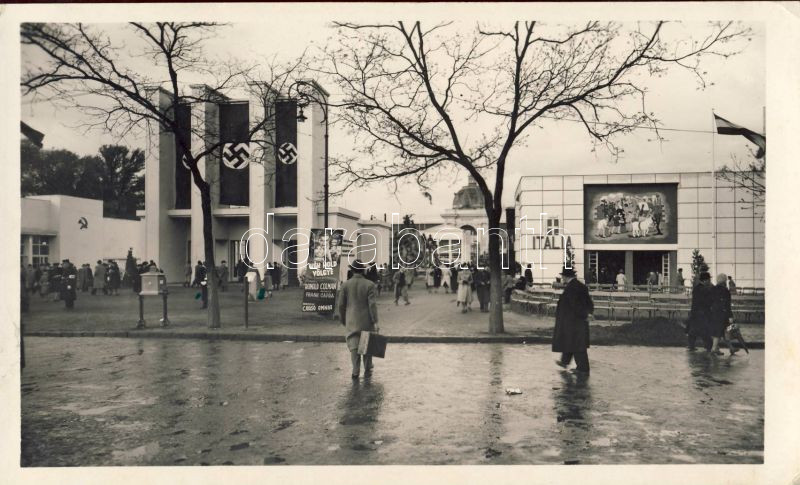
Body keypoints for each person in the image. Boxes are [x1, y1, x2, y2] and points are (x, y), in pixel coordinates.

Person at [337, 260, 379, 380]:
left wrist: (343, 319)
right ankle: (367, 368)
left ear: (352, 270)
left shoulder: (345, 285)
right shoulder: (369, 285)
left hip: (351, 321)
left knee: (354, 347)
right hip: (366, 321)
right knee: (366, 345)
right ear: (363, 271)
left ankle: (355, 371)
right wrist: (375, 321)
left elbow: (341, 305)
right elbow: (372, 305)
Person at [552, 267, 594, 374]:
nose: (562, 278)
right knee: (572, 341)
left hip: (573, 320)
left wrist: (584, 315)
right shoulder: (580, 286)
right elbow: (589, 302)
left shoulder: (571, 288)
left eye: (562, 276)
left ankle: (583, 369)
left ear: (566, 277)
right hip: (577, 319)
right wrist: (589, 313)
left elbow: (575, 305)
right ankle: (564, 361)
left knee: (577, 344)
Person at [686, 271, 713, 351]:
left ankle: (691, 346)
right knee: (705, 330)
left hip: (695, 311)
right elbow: (708, 302)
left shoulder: (696, 288)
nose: (709, 281)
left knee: (693, 330)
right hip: (703, 312)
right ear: (705, 280)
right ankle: (709, 347)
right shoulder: (705, 289)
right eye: (709, 279)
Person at [710, 273, 735, 356]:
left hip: (713, 313)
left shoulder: (713, 289)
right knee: (723, 331)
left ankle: (731, 348)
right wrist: (730, 316)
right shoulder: (725, 291)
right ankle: (714, 348)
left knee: (720, 331)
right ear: (724, 281)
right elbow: (727, 304)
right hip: (723, 314)